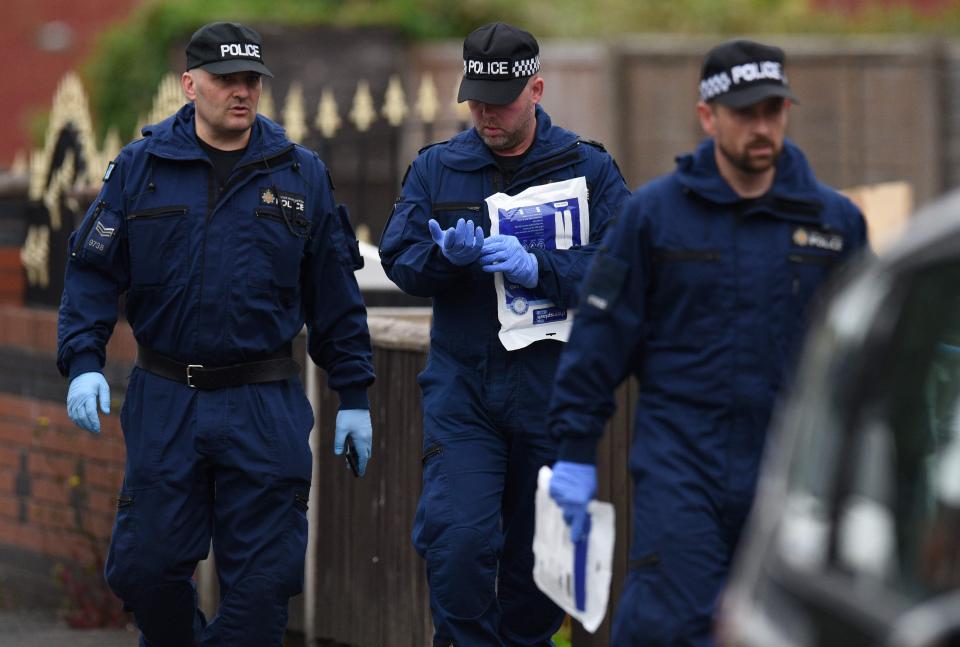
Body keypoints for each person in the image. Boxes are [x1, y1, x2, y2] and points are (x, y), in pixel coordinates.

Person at [56, 21, 375, 646]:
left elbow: (336, 297)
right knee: (146, 570)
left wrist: (355, 397)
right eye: (226, 79)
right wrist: (84, 359)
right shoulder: (140, 169)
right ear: (188, 84)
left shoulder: (299, 175)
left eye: (251, 80)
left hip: (263, 401)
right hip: (167, 397)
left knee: (263, 585)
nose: (242, 92)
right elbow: (92, 271)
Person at [548, 39, 869, 645]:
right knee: (664, 626)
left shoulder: (834, 224)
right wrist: (574, 450)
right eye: (745, 112)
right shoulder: (655, 217)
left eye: (772, 110)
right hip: (681, 463)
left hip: (791, 471)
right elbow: (599, 338)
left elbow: (867, 358)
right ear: (707, 116)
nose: (761, 126)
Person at [379, 22, 629, 647]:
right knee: (458, 542)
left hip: (551, 391)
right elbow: (400, 258)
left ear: (537, 89)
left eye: (502, 100)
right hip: (465, 390)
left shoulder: (588, 169)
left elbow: (625, 272)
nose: (487, 114)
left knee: (536, 568)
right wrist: (445, 259)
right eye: (477, 100)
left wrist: (540, 268)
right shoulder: (438, 170)